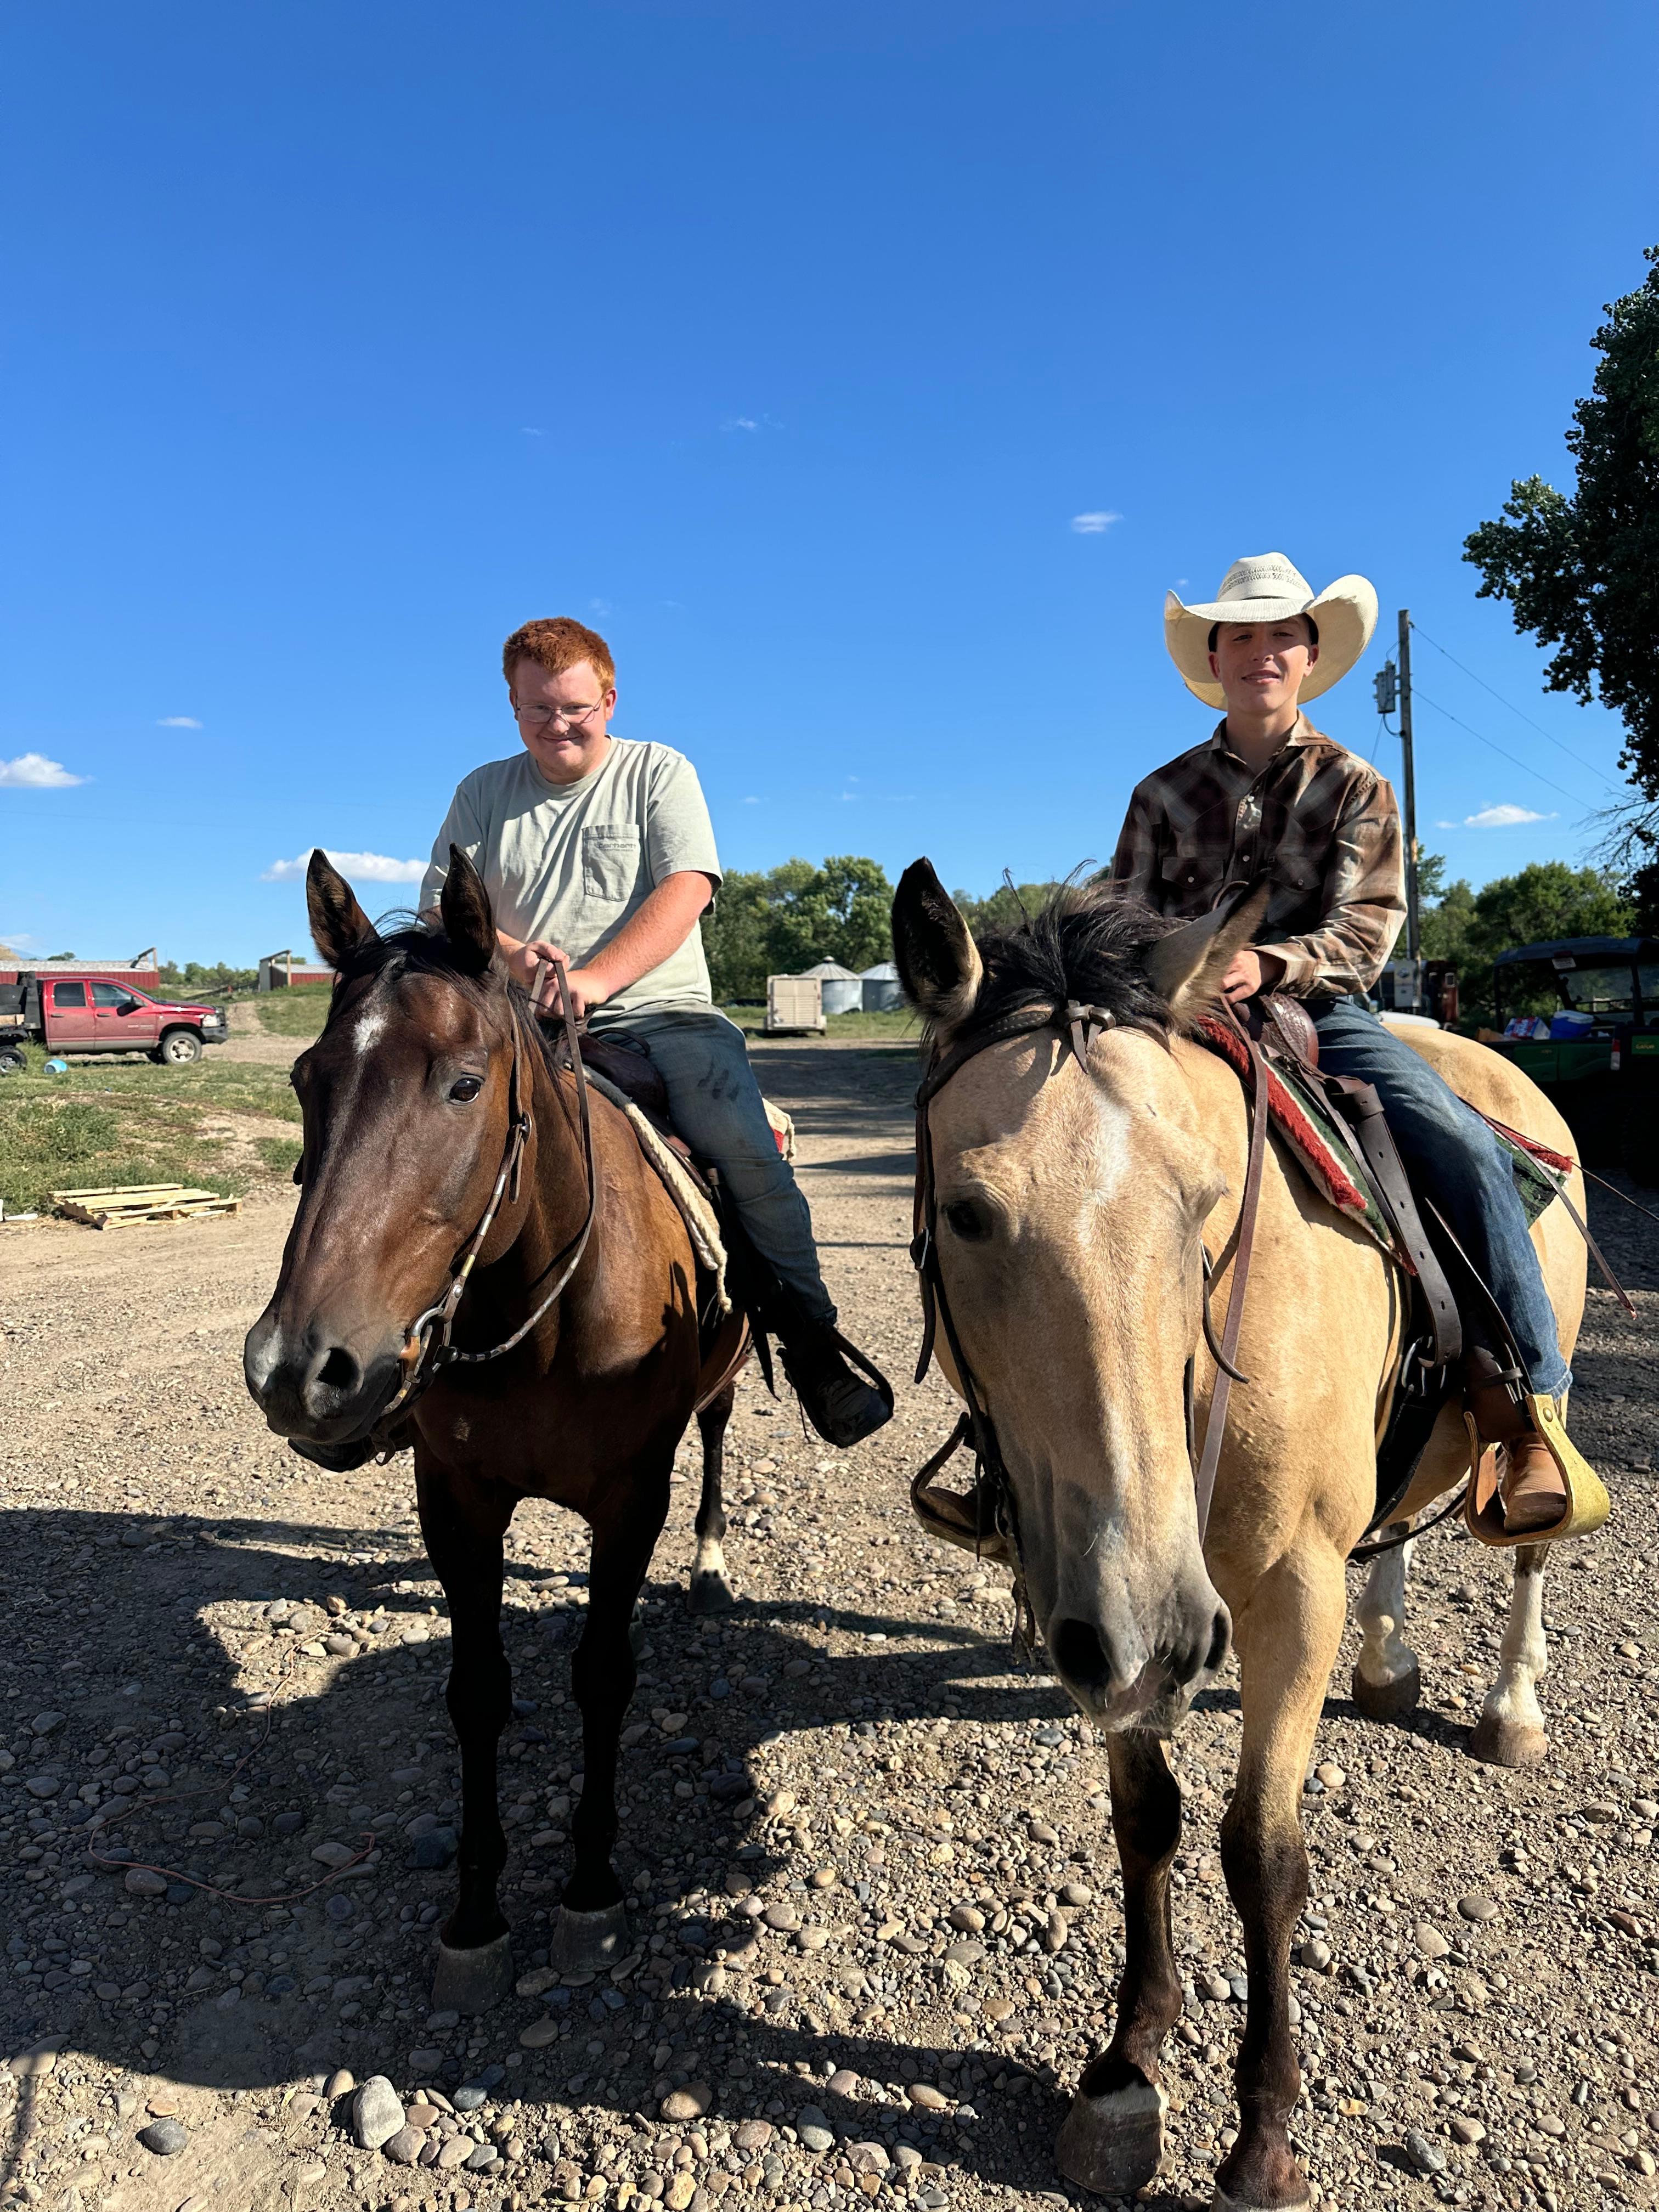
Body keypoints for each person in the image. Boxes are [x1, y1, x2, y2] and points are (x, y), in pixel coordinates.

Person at [1112, 552, 1587, 1534]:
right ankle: (1019, 1446)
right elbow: (1121, 918)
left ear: (1310, 653)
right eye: (1241, 634)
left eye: (1281, 633)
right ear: (1215, 655)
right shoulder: (1160, 795)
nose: (1262, 651)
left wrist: (1270, 966)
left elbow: (1367, 933)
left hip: (1319, 1014)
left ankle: (1532, 1412)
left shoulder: (1355, 785)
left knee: (1454, 1142)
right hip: (1175, 1016)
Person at [419, 614, 891, 1448]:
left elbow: (687, 887)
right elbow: (439, 909)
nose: (556, 725)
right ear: (512, 706)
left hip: (659, 1013)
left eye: (574, 708)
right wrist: (523, 962)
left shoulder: (657, 773)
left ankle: (812, 1341)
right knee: (405, 1140)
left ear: (608, 697)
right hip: (521, 1022)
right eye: (536, 710)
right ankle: (385, 1358)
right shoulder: (482, 794)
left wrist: (595, 979)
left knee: (740, 1146)